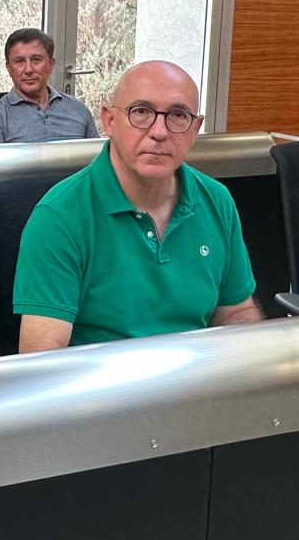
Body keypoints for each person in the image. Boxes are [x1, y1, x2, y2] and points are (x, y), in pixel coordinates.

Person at [14, 60, 260, 352]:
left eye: (178, 115)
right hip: (105, 380)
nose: (159, 131)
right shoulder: (59, 217)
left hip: (198, 375)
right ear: (109, 121)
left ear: (195, 129)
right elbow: (43, 358)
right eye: (141, 112)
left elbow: (235, 312)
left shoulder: (217, 199)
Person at [0, 28, 98, 144]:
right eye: (20, 61)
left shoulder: (78, 109)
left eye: (36, 60)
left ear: (51, 64)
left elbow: (99, 155)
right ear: (9, 68)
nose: (28, 70)